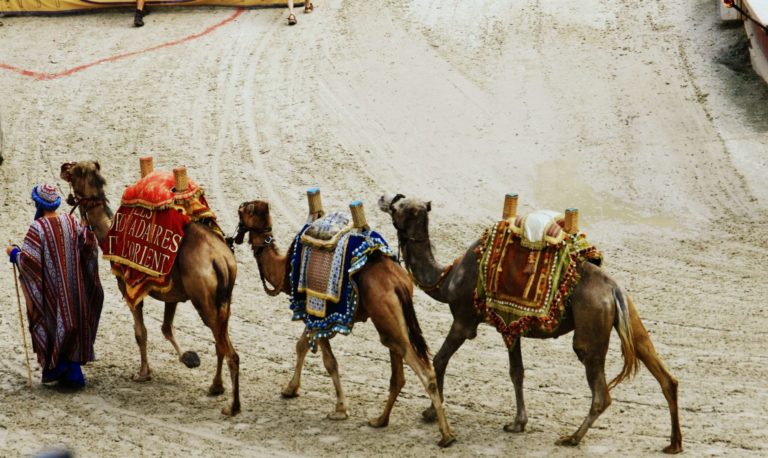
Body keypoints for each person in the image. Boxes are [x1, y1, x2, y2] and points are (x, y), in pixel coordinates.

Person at [6, 184, 104, 389]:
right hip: (74, 290)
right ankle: (64, 373)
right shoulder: (70, 221)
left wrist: (14, 254)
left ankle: (65, 373)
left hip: (52, 291)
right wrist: (86, 228)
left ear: (38, 204)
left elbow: (29, 262)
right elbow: (87, 246)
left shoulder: (37, 228)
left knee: (52, 323)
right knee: (70, 325)